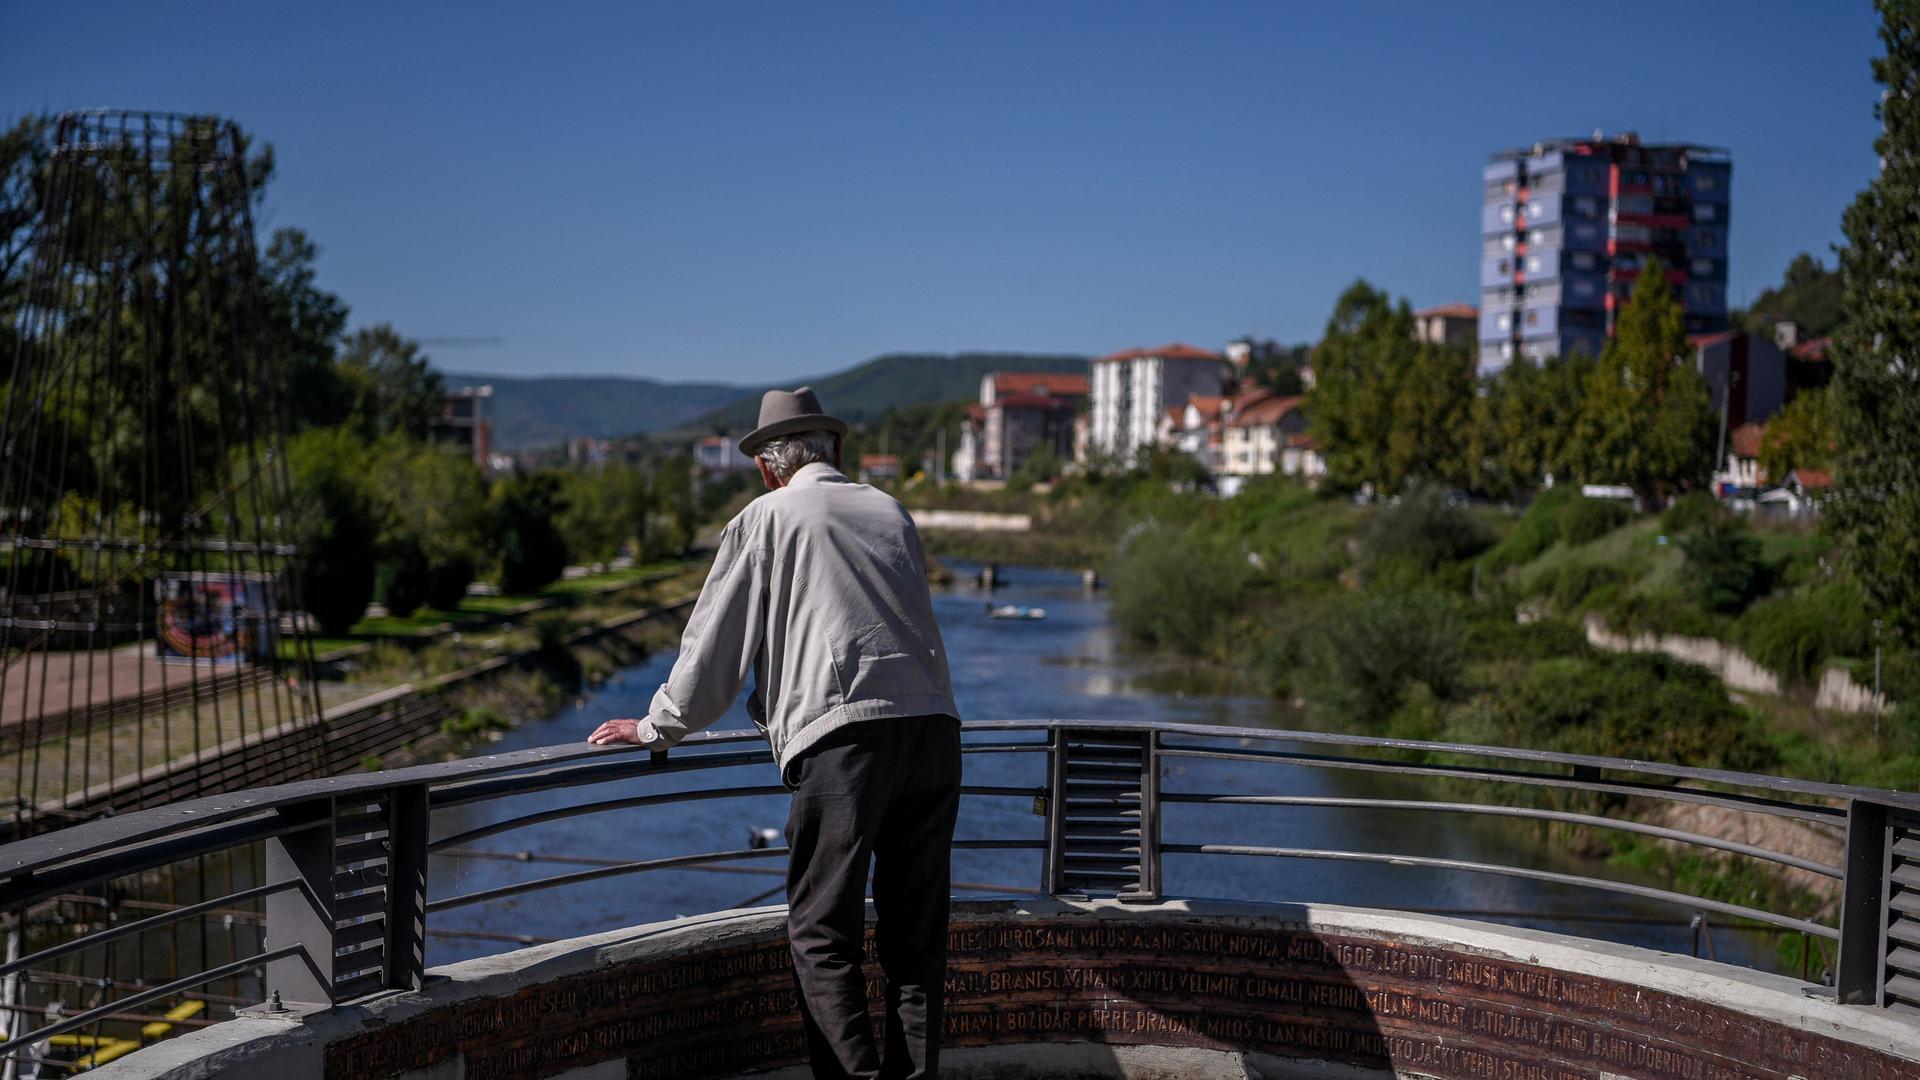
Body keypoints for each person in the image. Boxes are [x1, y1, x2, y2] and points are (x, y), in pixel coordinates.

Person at [588, 386, 961, 1080]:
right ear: (836, 450)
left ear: (767, 466)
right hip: (936, 731)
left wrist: (655, 725)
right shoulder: (890, 510)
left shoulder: (767, 518)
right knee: (916, 944)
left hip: (846, 738)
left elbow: (714, 650)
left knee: (821, 933)